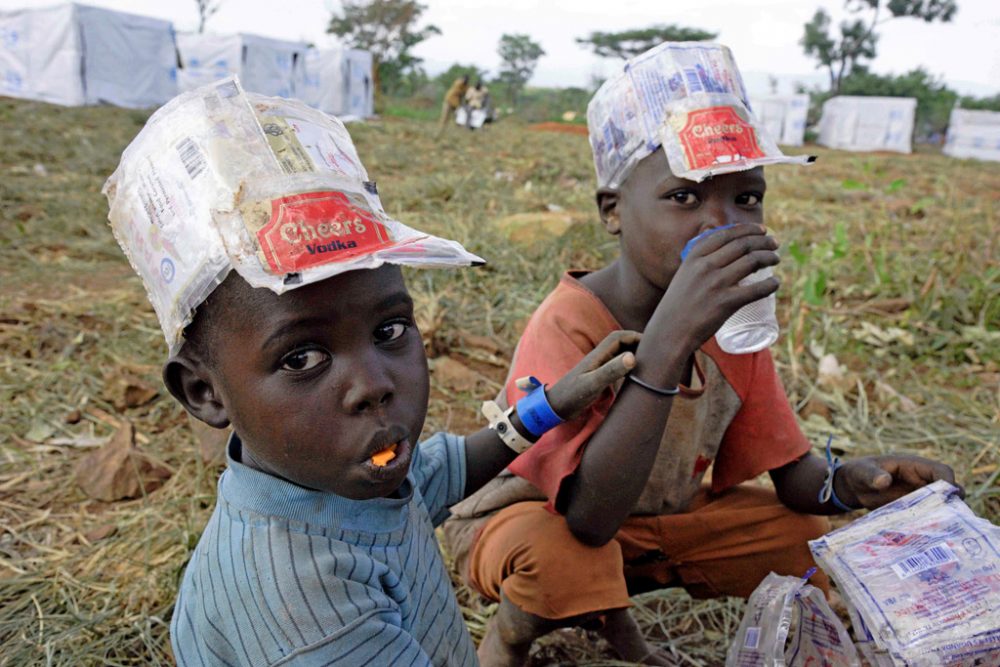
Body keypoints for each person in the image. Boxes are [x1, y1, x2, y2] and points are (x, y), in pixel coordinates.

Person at [442, 42, 961, 667]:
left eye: (745, 198)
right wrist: (670, 340)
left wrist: (855, 481)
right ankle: (509, 640)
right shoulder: (571, 320)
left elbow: (791, 475)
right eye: (684, 198)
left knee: (798, 535)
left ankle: (623, 621)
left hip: (658, 524)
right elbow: (586, 516)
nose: (721, 224)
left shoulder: (732, 324)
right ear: (613, 211)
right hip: (543, 518)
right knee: (558, 553)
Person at [103, 79, 639, 666]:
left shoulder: (338, 477)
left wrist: (555, 402)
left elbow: (443, 472)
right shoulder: (304, 606)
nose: (375, 384)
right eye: (302, 358)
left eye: (389, 331)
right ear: (205, 392)